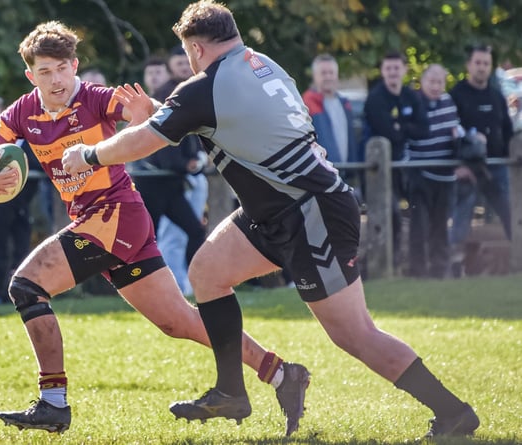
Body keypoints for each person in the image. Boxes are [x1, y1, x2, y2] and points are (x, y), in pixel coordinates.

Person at [62, 1, 479, 439]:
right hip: (281, 210)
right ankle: (230, 391)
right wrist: (163, 112)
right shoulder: (265, 65)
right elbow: (206, 117)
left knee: (355, 335)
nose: (188, 62)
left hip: (310, 214)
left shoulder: (205, 87)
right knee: (207, 273)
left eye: (187, 53)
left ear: (197, 48)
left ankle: (453, 412)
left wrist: (88, 155)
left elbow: (149, 139)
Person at [0, 20, 310, 436]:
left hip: (114, 213)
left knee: (26, 286)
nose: (56, 80)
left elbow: (148, 118)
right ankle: (281, 374)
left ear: (75, 66)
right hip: (105, 221)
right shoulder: (22, 112)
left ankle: (53, 401)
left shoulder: (94, 99)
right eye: (45, 72)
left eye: (61, 68)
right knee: (178, 322)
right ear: (30, 75)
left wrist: (142, 118)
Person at [134, 45, 208, 295]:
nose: (184, 70)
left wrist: (192, 160)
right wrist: (183, 163)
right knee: (149, 239)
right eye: (178, 65)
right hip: (154, 183)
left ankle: (192, 283)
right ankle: (147, 288)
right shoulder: (168, 97)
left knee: (192, 231)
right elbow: (163, 143)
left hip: (172, 184)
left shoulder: (187, 93)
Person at [448, 44, 513, 277]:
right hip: (468, 169)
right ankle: (454, 266)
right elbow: (449, 133)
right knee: (461, 218)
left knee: (511, 214)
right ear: (469, 65)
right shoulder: (456, 95)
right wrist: (457, 165)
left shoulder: (496, 96)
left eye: (486, 63)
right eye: (478, 63)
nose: (482, 68)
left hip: (497, 168)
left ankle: (517, 262)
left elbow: (507, 130)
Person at [363, 51, 429, 270]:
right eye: (388, 68)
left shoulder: (411, 95)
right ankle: (385, 265)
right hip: (381, 170)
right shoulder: (375, 98)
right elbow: (388, 133)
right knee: (390, 215)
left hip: (408, 167)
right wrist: (404, 128)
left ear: (403, 70)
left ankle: (416, 266)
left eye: (396, 68)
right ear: (382, 71)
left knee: (419, 212)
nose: (392, 72)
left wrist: (401, 126)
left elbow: (423, 129)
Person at [0, 96, 42, 305]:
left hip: (22, 202)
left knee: (22, 247)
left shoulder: (28, 139)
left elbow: (39, 164)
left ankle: (16, 293)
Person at [405, 65, 462, 278]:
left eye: (440, 82)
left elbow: (455, 131)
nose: (436, 86)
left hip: (446, 175)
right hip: (421, 173)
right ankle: (417, 271)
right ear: (423, 81)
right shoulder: (414, 102)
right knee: (419, 226)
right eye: (432, 81)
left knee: (441, 226)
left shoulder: (448, 102)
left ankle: (440, 270)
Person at [302, 54, 359, 173]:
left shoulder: (345, 104)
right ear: (315, 76)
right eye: (323, 73)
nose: (328, 77)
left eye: (331, 72)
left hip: (344, 172)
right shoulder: (307, 103)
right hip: (320, 173)